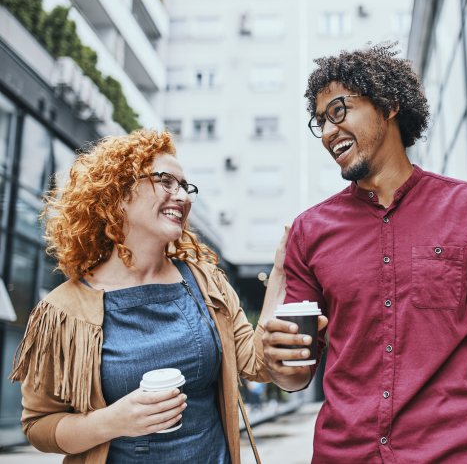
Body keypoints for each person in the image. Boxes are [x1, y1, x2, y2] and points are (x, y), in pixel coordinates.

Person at [262, 43, 467, 463]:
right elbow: (296, 375)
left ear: (390, 104)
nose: (326, 131)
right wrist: (278, 362)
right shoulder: (310, 231)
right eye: (319, 121)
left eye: (338, 111)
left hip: (461, 452)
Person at [9, 130, 287, 464]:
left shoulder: (206, 283)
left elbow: (258, 364)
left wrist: (281, 272)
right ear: (119, 193)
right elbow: (39, 426)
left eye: (185, 186)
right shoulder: (62, 310)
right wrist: (113, 421)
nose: (182, 196)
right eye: (166, 181)